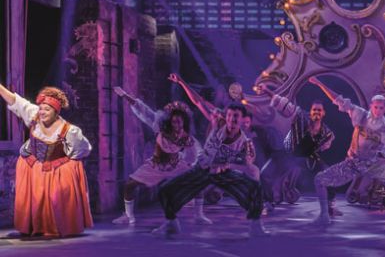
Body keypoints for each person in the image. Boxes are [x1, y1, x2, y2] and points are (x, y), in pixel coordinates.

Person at [153, 103, 267, 237]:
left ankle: (255, 225)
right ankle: (171, 223)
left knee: (255, 187)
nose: (232, 119)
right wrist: (183, 84)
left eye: (236, 116)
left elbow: (248, 162)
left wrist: (233, 163)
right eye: (229, 115)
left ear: (242, 120)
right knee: (164, 190)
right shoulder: (219, 123)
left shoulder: (244, 141)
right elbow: (199, 102)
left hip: (222, 174)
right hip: (202, 169)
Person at [0, 83, 93, 237]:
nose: (42, 112)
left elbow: (83, 149)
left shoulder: (69, 130)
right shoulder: (34, 115)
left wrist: (63, 164)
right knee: (36, 199)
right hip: (33, 166)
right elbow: (15, 101)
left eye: (47, 109)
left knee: (54, 199)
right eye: (41, 108)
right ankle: (34, 226)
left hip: (55, 169)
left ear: (56, 111)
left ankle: (55, 227)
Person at [308, 76, 385, 226]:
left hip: (372, 165)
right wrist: (320, 84)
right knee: (319, 179)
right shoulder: (360, 114)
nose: (378, 110)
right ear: (371, 106)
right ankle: (324, 215)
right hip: (352, 164)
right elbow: (338, 100)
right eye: (376, 107)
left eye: (381, 108)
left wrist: (384, 148)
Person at [111, 87, 201, 225]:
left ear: (184, 121)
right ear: (170, 121)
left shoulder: (187, 138)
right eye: (174, 121)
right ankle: (129, 216)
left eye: (179, 121)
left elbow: (197, 152)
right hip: (156, 165)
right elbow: (143, 110)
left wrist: (194, 166)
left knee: (198, 181)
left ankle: (199, 215)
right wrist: (125, 95)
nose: (177, 124)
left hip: (176, 165)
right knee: (129, 185)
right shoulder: (160, 126)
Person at [268, 94, 337, 213]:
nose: (316, 112)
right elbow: (283, 104)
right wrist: (266, 91)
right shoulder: (300, 116)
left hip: (308, 157)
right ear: (310, 112)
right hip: (289, 153)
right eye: (314, 109)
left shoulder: (327, 133)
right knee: (272, 173)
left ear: (323, 113)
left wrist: (319, 146)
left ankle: (330, 205)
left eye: (319, 110)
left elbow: (324, 146)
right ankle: (269, 201)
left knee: (326, 172)